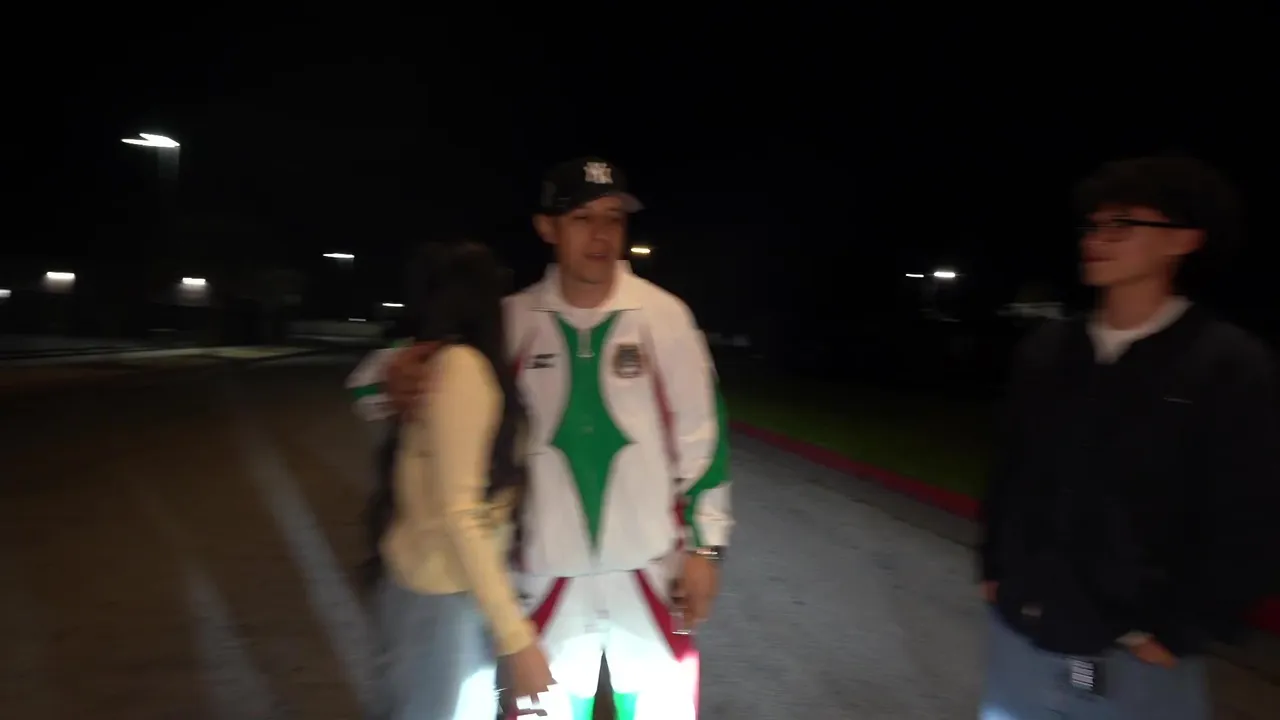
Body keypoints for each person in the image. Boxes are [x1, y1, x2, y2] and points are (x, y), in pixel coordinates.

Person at [354, 157, 732, 719]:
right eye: (582, 219)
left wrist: (706, 549)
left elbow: (704, 437)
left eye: (613, 219)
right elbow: (377, 384)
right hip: (545, 587)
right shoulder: (512, 321)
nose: (601, 236)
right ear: (547, 227)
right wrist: (393, 372)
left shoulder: (665, 317)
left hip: (651, 582)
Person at [978, 155, 1279, 719]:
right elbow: (1011, 471)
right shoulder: (1048, 350)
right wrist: (994, 568)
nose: (1096, 239)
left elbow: (1249, 514)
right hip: (1024, 631)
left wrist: (1181, 631)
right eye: (1094, 225)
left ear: (1184, 240)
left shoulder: (1228, 363)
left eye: (1122, 225)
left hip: (1138, 651)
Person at [371, 241, 556, 719]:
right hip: (442, 596)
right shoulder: (463, 369)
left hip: (437, 592)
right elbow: (461, 513)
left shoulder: (440, 365)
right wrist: (518, 640)